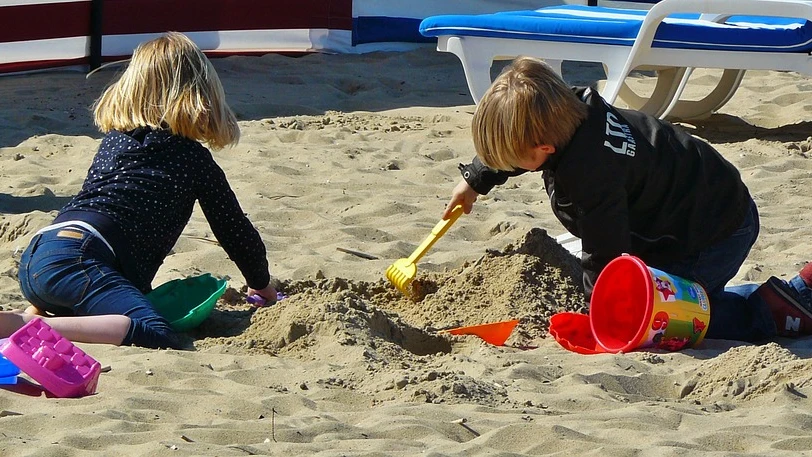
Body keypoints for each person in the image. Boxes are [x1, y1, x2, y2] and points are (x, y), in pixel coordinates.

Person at [443, 56, 812, 342]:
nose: (509, 165)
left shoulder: (590, 176)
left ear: (544, 147)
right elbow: (522, 140)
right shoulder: (568, 109)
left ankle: (774, 310)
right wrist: (477, 179)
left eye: (512, 160)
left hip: (713, 230)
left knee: (668, 317)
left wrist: (598, 315)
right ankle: (798, 290)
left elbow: (605, 253)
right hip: (700, 195)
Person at [0, 32, 277, 349]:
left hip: (40, 255)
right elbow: (234, 230)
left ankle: (37, 311)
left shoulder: (115, 141)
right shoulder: (194, 159)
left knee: (89, 301)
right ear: (203, 95)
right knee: (154, 331)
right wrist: (261, 285)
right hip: (79, 260)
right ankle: (30, 324)